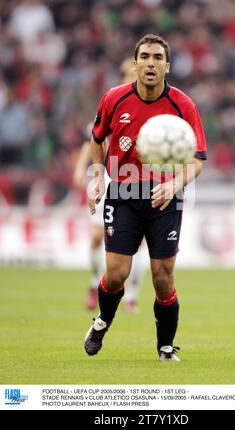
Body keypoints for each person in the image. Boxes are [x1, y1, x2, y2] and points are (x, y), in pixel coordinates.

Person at [84, 34, 207, 361]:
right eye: (145, 57)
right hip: (123, 194)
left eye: (157, 57)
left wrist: (173, 184)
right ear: (135, 63)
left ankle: (165, 347)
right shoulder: (114, 99)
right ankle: (102, 321)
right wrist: (97, 174)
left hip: (165, 198)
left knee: (163, 278)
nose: (151, 63)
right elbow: (97, 139)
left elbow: (197, 159)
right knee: (116, 274)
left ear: (167, 65)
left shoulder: (183, 105)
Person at [73, 58, 147, 311]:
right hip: (106, 176)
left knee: (138, 243)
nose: (132, 77)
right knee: (96, 237)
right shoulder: (114, 101)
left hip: (138, 178)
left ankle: (132, 296)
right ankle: (95, 284)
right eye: (128, 73)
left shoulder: (152, 107)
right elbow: (92, 140)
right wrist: (81, 168)